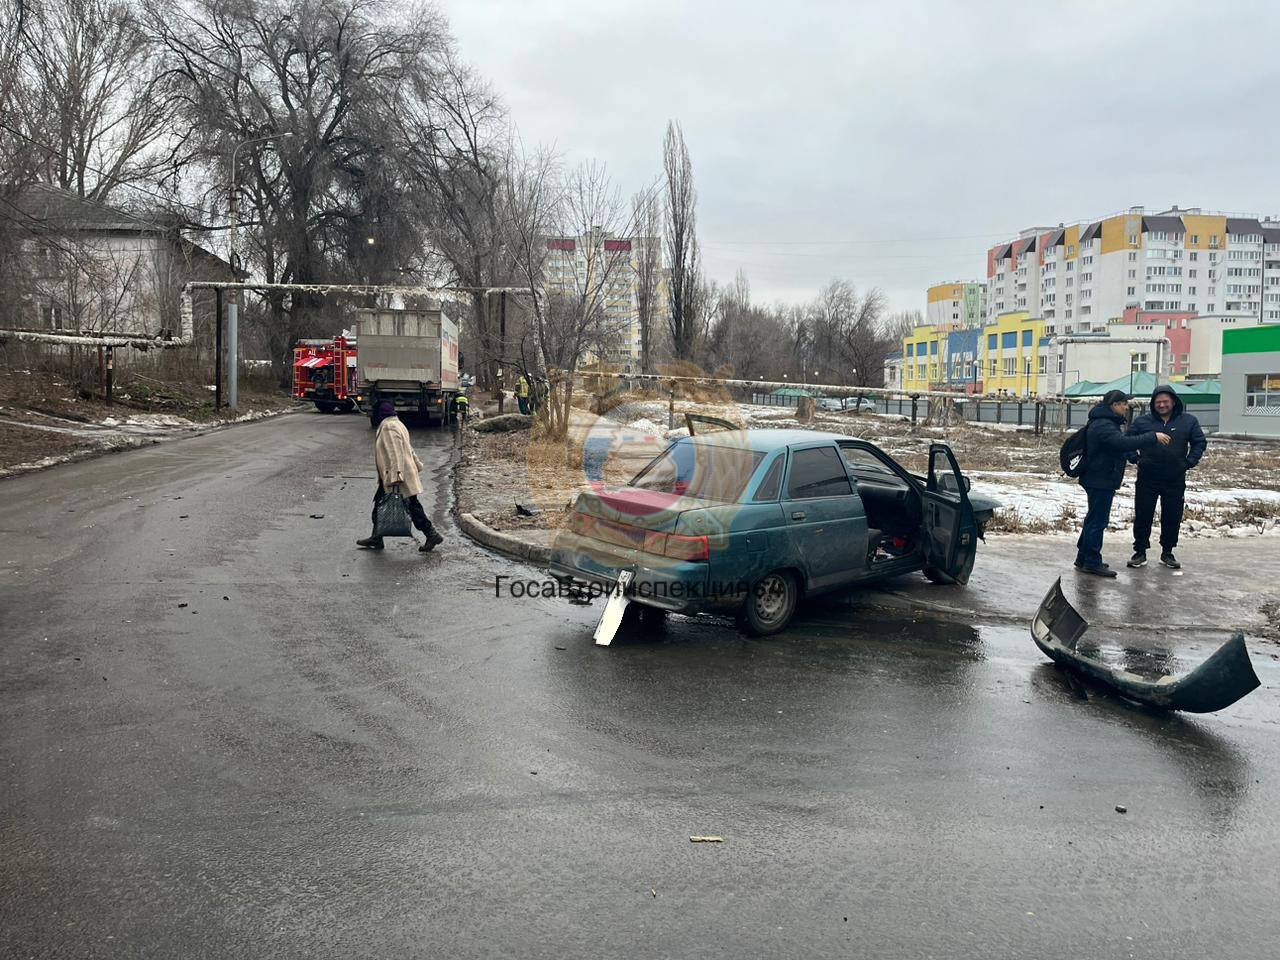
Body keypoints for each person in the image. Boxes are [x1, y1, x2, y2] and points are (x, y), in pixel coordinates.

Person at [1075, 389, 1170, 577]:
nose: (1126, 407)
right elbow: (1120, 443)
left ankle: (1083, 557)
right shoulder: (1104, 424)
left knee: (1093, 518)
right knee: (1098, 520)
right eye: (1124, 404)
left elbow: (1116, 446)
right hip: (1100, 478)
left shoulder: (1106, 422)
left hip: (1099, 477)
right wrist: (1153, 437)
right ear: (1114, 405)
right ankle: (1092, 561)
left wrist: (1133, 458)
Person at [1126, 385, 1207, 570]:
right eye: (1158, 402)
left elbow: (1199, 443)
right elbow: (1128, 441)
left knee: (1172, 515)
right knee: (1143, 514)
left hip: (1175, 477)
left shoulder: (1188, 421)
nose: (1161, 405)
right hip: (1148, 476)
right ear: (1153, 403)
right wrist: (1135, 459)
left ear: (1173, 402)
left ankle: (1168, 552)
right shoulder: (1143, 422)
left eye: (1165, 402)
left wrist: (1188, 462)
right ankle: (1140, 551)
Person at [356, 401, 444, 552]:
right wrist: (417, 464)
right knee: (380, 504)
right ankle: (376, 537)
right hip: (397, 474)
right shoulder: (397, 423)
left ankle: (431, 534)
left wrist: (396, 476)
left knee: (412, 507)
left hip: (397, 476)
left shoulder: (388, 427)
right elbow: (408, 448)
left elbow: (395, 452)